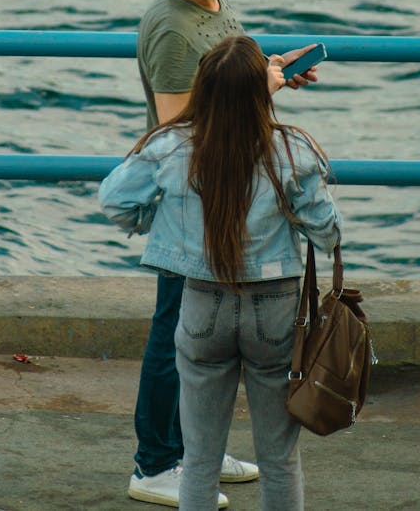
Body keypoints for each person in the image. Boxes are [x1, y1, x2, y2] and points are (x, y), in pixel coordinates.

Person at [129, 0, 321, 506]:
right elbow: (176, 128)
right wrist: (259, 92)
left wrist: (270, 69)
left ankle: (192, 453)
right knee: (171, 335)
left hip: (224, 205)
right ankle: (157, 462)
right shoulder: (170, 29)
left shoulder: (213, 6)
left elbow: (224, 86)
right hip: (193, 212)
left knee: (184, 335)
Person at [99, 35, 342, 511]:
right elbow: (327, 232)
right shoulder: (291, 149)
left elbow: (115, 200)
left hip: (202, 303)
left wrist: (156, 221)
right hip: (274, 309)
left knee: (200, 458)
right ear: (262, 92)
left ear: (204, 89)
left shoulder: (171, 144)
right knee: (280, 458)